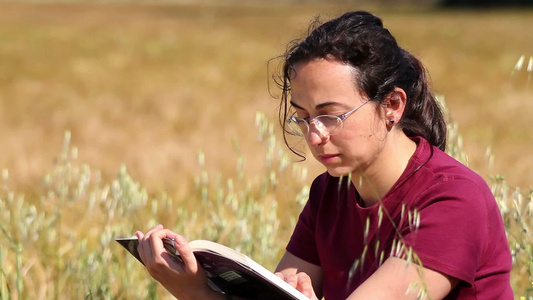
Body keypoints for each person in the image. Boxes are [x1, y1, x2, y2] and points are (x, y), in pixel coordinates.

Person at [135, 11, 513, 300]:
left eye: (332, 115)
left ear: (393, 106)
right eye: (303, 117)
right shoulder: (329, 194)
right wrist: (193, 288)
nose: (315, 135)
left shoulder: (453, 199)